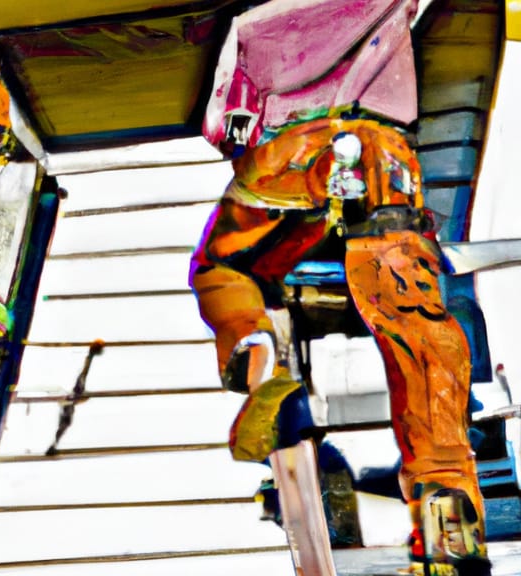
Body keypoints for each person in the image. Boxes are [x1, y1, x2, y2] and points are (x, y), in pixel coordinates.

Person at [190, 0, 491, 573]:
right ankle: (443, 500)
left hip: (279, 160)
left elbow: (224, 115)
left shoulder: (255, 20)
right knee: (411, 318)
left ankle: (258, 366)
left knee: (224, 269)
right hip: (375, 151)